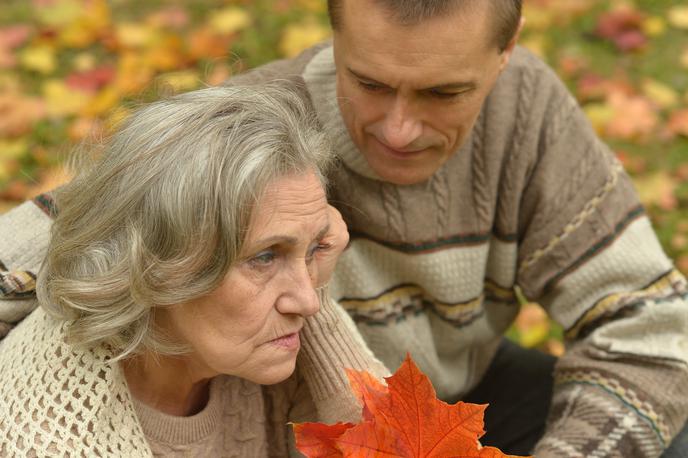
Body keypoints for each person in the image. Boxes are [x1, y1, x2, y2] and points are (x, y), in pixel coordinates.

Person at [1, 0, 687, 456]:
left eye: (442, 93)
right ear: (336, 34)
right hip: (317, 417)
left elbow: (648, 328)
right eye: (369, 83)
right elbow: (92, 229)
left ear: (504, 54)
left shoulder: (528, 113)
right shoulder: (254, 132)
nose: (398, 128)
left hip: (453, 392)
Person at [0, 84, 389, 456]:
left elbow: (392, 444)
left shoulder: (246, 349)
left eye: (314, 249)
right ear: (154, 265)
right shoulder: (47, 440)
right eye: (265, 257)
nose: (308, 302)